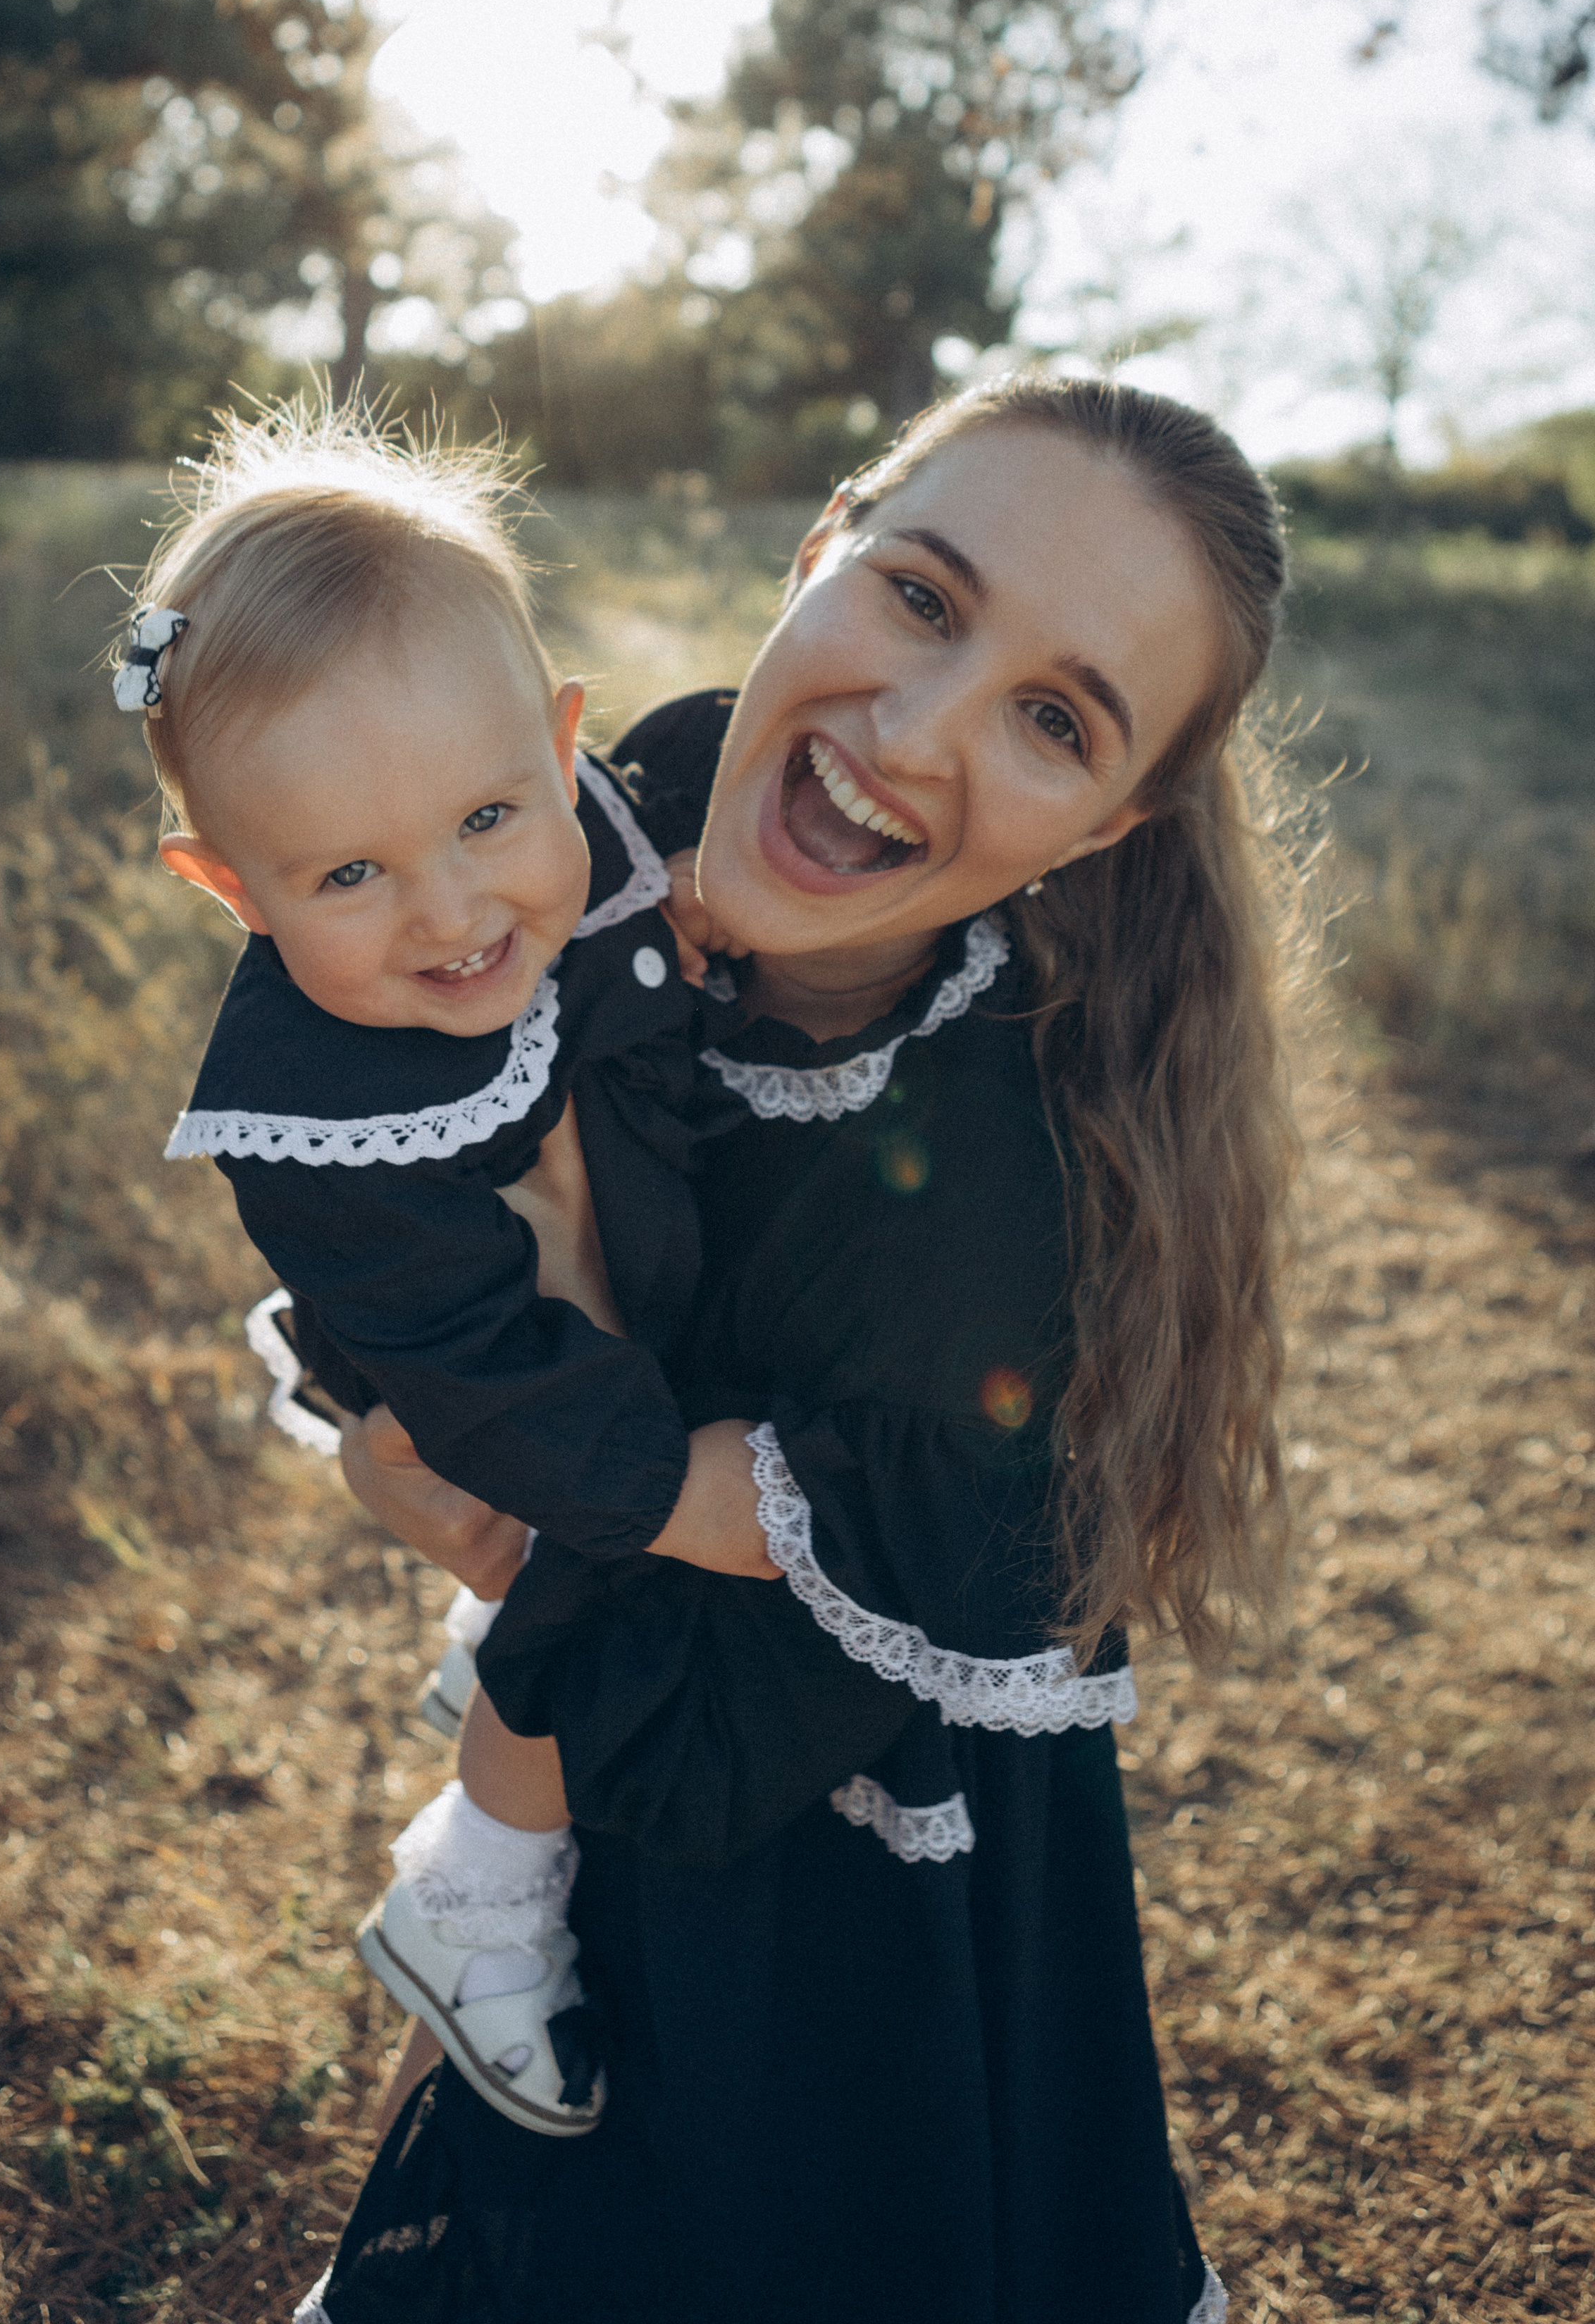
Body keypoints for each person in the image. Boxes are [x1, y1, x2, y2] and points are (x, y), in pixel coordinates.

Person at [303, 375, 1305, 2324]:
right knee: (499, 2124)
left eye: (1054, 717)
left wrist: (542, 1441)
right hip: (614, 1691)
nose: (911, 738)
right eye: (922, 596)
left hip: (834, 1836)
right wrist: (415, 1406)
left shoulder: (985, 1215)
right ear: (819, 540)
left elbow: (791, 1602)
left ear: (1115, 819)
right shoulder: (602, 825)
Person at [116, 406, 776, 2138]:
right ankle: (478, 1884)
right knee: (594, 1562)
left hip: (588, 1309)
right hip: (483, 1375)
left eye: (490, 814)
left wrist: (698, 918)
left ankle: (504, 1640)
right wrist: (668, 1500)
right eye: (346, 874)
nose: (450, 911)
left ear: (563, 750)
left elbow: (648, 975)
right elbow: (487, 1381)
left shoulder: (597, 857)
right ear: (229, 891)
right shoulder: (313, 1111)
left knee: (578, 1538)